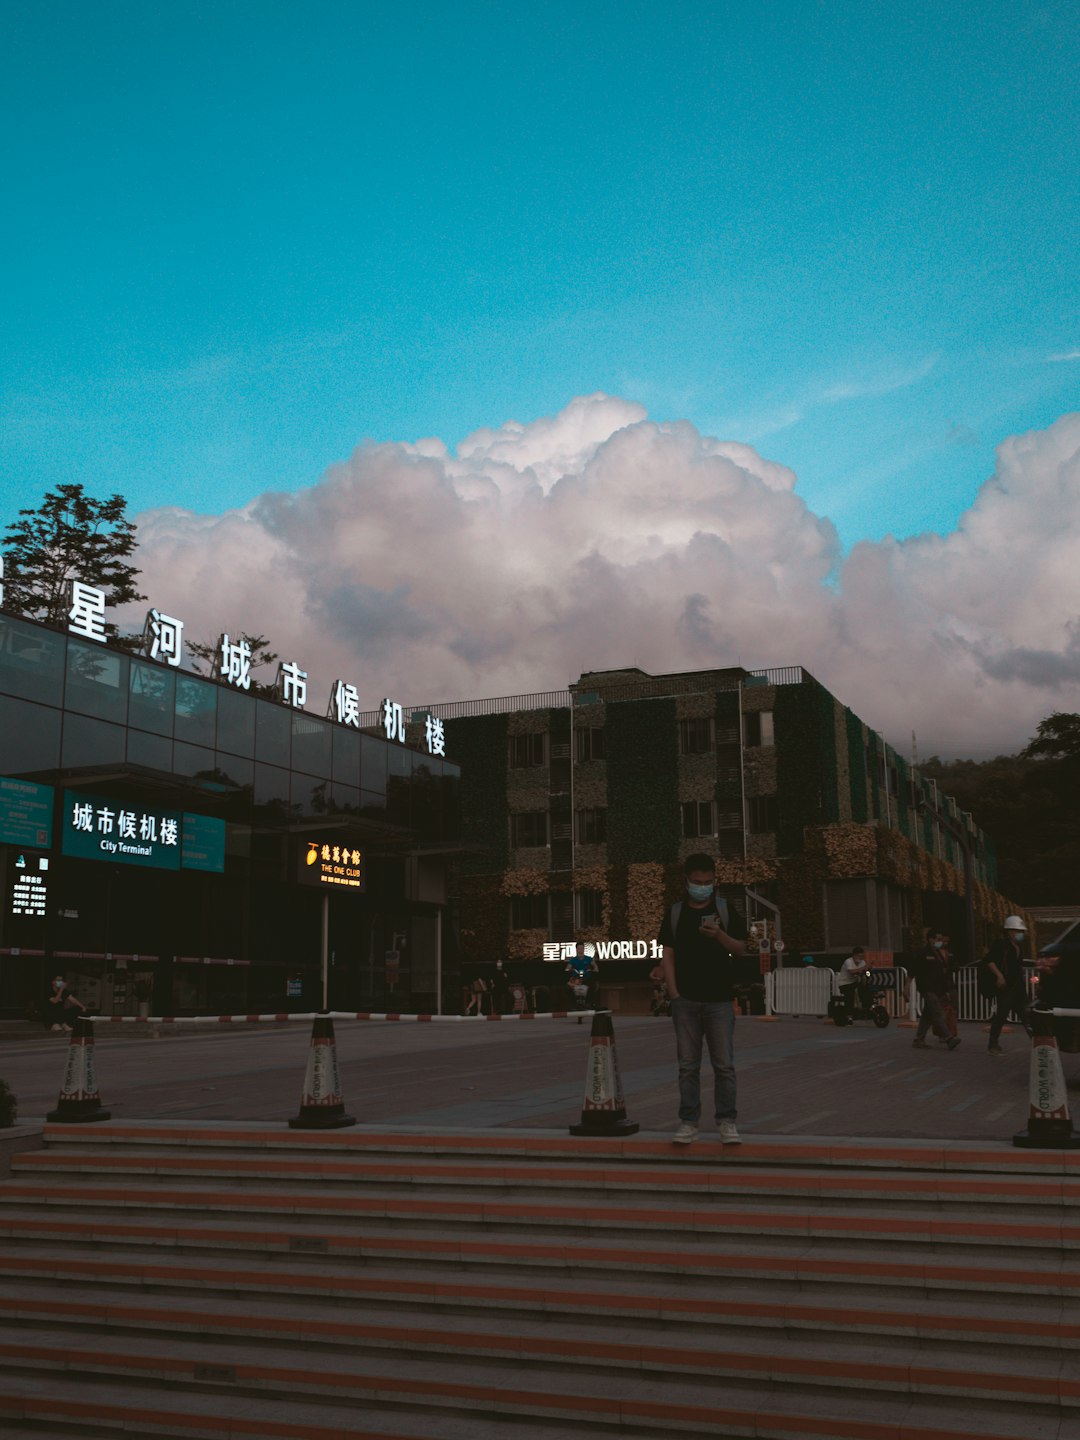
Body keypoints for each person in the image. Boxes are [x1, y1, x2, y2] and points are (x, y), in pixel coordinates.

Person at [658, 853, 748, 1145]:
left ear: (714, 881)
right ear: (687, 881)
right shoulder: (675, 913)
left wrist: (718, 935)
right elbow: (667, 954)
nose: (702, 887)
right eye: (697, 882)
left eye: (707, 882)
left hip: (720, 999)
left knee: (724, 1064)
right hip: (685, 1000)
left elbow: (742, 948)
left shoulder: (725, 909)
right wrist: (674, 994)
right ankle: (689, 1122)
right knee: (687, 1065)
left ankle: (727, 1122)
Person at [982, 915, 1030, 1055]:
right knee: (1001, 1016)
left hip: (1018, 987)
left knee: (1027, 1016)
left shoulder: (1019, 946)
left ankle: (1037, 1044)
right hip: (1007, 987)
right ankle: (992, 1045)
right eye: (1018, 931)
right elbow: (989, 960)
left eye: (1022, 931)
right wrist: (999, 976)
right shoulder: (1001, 944)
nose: (1021, 934)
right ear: (1010, 931)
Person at [912, 930, 961, 1051]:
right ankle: (949, 1038)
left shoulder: (939, 954)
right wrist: (907, 986)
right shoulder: (922, 953)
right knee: (937, 1012)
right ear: (930, 939)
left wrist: (945, 991)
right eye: (938, 939)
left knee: (927, 1015)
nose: (940, 942)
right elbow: (913, 970)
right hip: (927, 988)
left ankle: (919, 1039)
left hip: (938, 988)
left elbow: (942, 973)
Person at [837, 947, 870, 1018]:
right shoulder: (848, 961)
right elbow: (851, 971)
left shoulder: (862, 962)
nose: (861, 958)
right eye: (859, 956)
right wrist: (863, 968)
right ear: (854, 955)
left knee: (866, 989)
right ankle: (849, 1014)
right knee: (849, 995)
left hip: (855, 982)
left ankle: (865, 1007)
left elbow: (866, 972)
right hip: (845, 983)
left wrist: (868, 972)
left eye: (862, 956)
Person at [564, 942, 599, 1008]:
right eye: (579, 948)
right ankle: (572, 1004)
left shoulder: (589, 959)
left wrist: (592, 970)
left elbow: (596, 968)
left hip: (586, 978)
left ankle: (590, 1003)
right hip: (576, 979)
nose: (581, 950)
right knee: (567, 987)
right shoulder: (573, 960)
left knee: (594, 987)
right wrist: (569, 970)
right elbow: (567, 969)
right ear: (576, 949)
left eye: (582, 948)